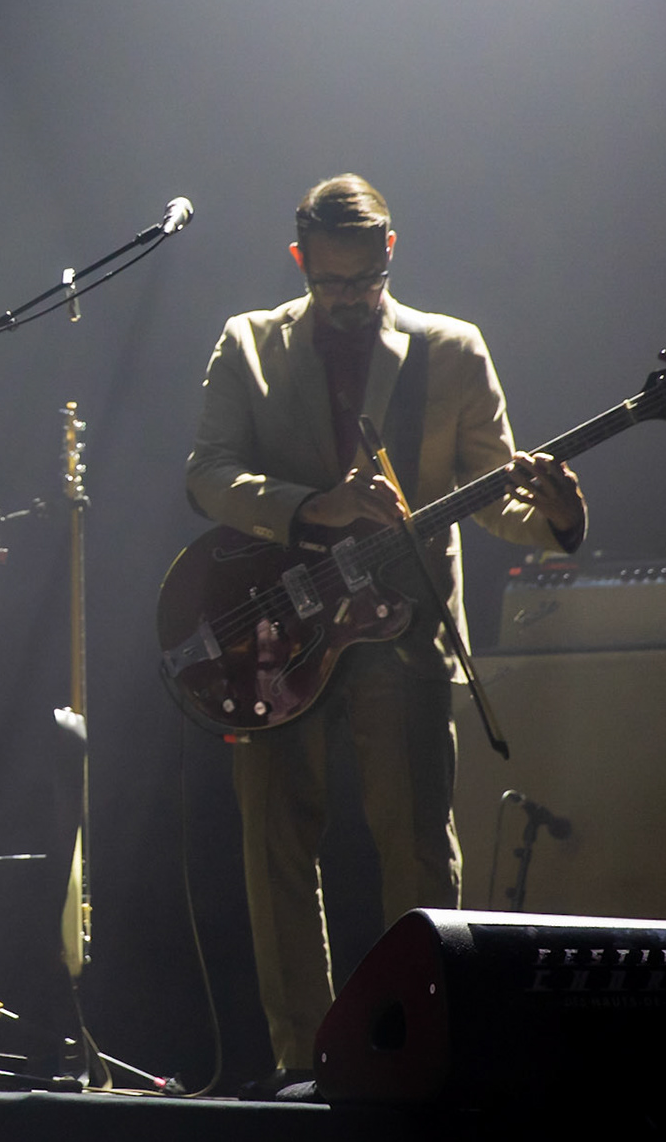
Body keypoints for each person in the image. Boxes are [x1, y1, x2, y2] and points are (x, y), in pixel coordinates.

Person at [185, 175, 583, 1077]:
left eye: (364, 282)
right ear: (300, 261)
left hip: (404, 637)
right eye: (331, 284)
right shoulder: (248, 342)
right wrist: (309, 509)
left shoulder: (450, 349)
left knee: (415, 851)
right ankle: (302, 1067)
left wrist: (557, 520)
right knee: (276, 845)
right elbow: (207, 473)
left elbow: (496, 498)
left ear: (390, 253)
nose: (351, 300)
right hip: (281, 635)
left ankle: (418, 1060)